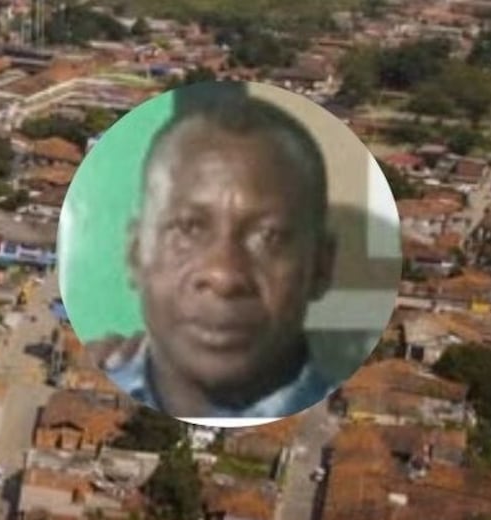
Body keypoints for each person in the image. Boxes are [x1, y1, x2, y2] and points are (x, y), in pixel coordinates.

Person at [87, 87, 339, 420]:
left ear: (321, 268)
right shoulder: (94, 380)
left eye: (270, 236)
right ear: (136, 253)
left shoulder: (331, 420)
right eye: (189, 228)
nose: (224, 275)